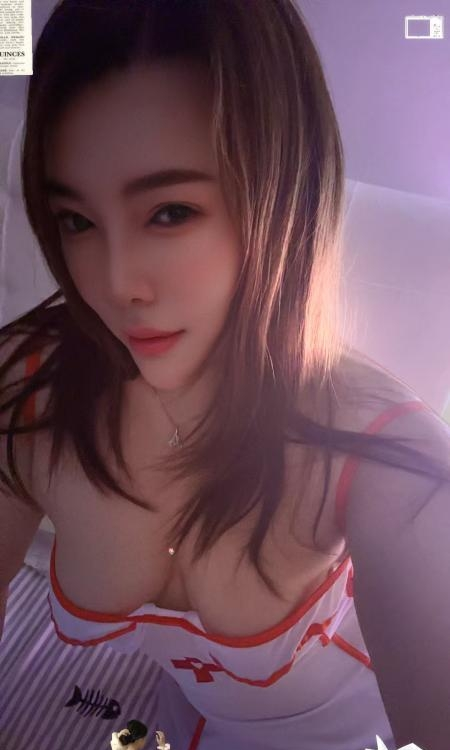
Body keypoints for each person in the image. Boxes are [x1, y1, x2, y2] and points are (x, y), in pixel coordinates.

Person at [1, 2, 450, 749]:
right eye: (76, 220)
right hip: (182, 721)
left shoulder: (383, 456)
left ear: (282, 196)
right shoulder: (32, 384)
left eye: (170, 212)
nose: (115, 283)